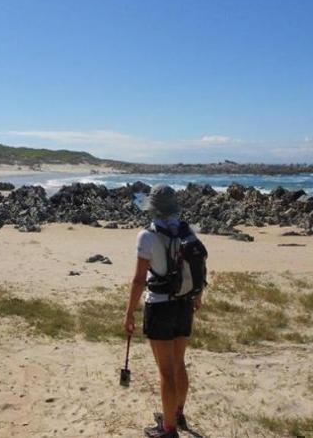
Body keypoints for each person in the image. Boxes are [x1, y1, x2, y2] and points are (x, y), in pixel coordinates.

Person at [123, 184, 208, 438]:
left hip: (160, 306)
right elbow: (200, 264)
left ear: (154, 209)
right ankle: (177, 413)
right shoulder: (186, 231)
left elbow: (139, 280)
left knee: (166, 372)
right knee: (178, 364)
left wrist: (129, 313)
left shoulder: (147, 236)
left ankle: (168, 429)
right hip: (184, 303)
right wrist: (198, 295)